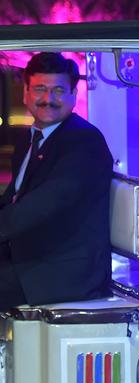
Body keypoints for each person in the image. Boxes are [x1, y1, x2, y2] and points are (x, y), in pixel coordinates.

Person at [0, 52, 113, 309]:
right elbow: (13, 200)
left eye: (58, 90)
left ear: (73, 94)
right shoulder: (31, 139)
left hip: (62, 271)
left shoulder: (84, 142)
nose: (48, 99)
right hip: (30, 257)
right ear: (25, 93)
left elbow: (44, 204)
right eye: (40, 88)